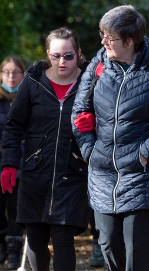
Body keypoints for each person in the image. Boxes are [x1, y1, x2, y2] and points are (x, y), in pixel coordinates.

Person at [71, 5, 149, 271]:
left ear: (130, 41)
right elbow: (79, 111)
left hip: (143, 174)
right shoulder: (98, 65)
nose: (103, 42)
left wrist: (144, 152)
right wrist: (90, 150)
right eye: (103, 35)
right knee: (108, 243)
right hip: (102, 173)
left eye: (110, 38)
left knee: (136, 249)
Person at [1, 28, 91, 271]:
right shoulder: (32, 82)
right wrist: (9, 164)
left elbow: (110, 122)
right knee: (37, 239)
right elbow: (14, 126)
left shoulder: (91, 83)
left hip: (72, 172)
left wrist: (95, 124)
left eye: (69, 56)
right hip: (35, 172)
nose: (62, 62)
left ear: (79, 53)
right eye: (56, 56)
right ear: (48, 54)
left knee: (63, 239)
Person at [0, 56, 25, 269]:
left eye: (15, 72)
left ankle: (15, 251)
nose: (11, 76)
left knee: (16, 210)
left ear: (22, 75)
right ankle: (1, 246)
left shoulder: (27, 99)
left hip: (21, 165)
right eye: (6, 72)